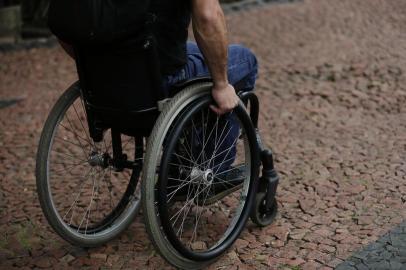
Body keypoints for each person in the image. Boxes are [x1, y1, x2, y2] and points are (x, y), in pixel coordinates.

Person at [59, 0, 258, 199]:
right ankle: (214, 170)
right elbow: (208, 17)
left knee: (191, 51)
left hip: (111, 78)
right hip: (158, 80)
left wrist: (101, 69)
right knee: (245, 61)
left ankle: (183, 155)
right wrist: (221, 85)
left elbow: (63, 21)